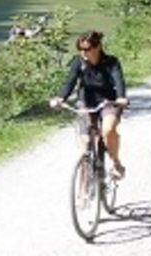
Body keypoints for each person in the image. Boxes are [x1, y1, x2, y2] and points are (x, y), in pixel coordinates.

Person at [50, 31, 129, 179]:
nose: (83, 52)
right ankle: (86, 179)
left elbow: (119, 81)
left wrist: (121, 98)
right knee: (85, 141)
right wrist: (60, 98)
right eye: (80, 49)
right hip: (86, 101)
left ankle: (116, 163)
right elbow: (70, 81)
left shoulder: (111, 62)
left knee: (107, 130)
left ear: (98, 47)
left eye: (87, 49)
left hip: (108, 101)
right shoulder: (78, 62)